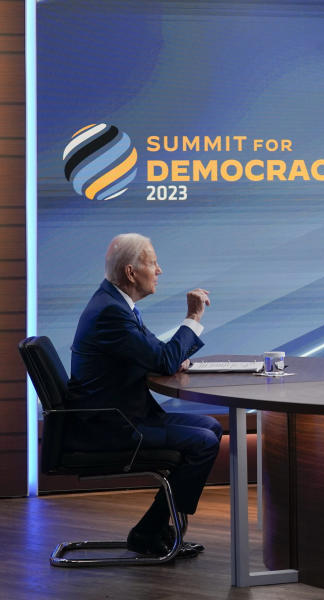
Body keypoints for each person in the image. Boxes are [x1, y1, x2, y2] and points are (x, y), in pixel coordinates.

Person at [67, 233, 222, 558]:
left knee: (211, 427)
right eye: (153, 263)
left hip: (123, 415)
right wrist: (193, 318)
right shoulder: (111, 312)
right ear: (130, 272)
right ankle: (149, 531)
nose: (160, 270)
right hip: (111, 427)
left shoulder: (117, 305)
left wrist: (171, 356)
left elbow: (158, 355)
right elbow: (163, 359)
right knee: (204, 442)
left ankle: (155, 528)